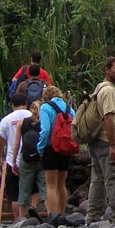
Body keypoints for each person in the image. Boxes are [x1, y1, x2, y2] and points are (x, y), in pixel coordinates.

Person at [86, 57, 115, 227]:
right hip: (107, 141)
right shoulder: (109, 90)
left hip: (96, 141)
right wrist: (113, 145)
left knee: (97, 179)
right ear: (107, 70)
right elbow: (108, 118)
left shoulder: (99, 88)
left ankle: (92, 217)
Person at [0, 92, 33, 217]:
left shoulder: (6, 120)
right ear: (26, 103)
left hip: (12, 160)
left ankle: (18, 221)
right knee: (34, 190)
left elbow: (0, 144)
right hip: (32, 158)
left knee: (15, 195)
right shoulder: (33, 116)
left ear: (12, 105)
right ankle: (33, 217)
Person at [38, 85, 75, 215]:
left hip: (51, 148)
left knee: (51, 185)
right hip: (66, 148)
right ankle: (62, 213)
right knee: (61, 184)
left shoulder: (45, 107)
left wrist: (40, 148)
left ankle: (53, 215)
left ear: (45, 96)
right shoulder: (69, 109)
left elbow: (45, 129)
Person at [12, 100, 47, 218]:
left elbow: (16, 144)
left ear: (30, 110)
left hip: (25, 158)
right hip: (41, 157)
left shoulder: (22, 123)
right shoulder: (44, 123)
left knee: (24, 187)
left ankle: (21, 217)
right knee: (44, 187)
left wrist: (13, 162)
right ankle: (51, 213)